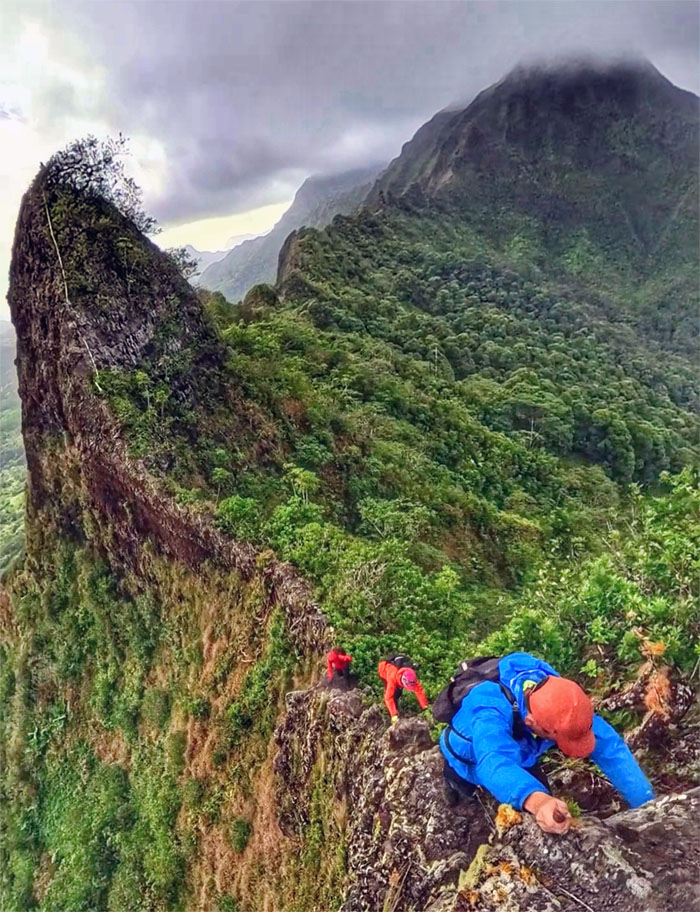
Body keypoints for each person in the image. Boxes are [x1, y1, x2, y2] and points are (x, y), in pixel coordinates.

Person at [438, 653, 654, 835]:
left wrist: (648, 806)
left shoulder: (554, 692)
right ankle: (453, 782)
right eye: (561, 739)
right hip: (467, 751)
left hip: (520, 742)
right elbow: (493, 761)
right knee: (467, 784)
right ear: (532, 723)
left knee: (542, 801)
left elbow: (608, 746)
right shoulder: (487, 707)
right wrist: (538, 802)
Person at [378, 654, 430, 722]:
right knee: (394, 695)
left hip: (397, 675)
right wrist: (394, 715)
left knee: (398, 691)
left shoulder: (411, 676)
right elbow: (388, 698)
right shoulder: (392, 679)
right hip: (383, 670)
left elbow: (419, 690)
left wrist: (425, 706)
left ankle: (395, 710)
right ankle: (393, 711)